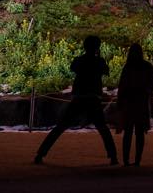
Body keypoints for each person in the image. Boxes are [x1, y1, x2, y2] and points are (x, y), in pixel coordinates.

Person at [35, 35, 118, 165]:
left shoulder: (79, 60)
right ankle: (113, 156)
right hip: (93, 98)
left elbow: (73, 68)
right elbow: (106, 71)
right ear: (97, 47)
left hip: (79, 97)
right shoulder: (99, 61)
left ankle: (41, 153)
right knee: (103, 128)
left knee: (61, 126)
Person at [117, 43, 153, 166]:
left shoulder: (128, 67)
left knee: (128, 132)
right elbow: (152, 85)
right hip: (141, 102)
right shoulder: (147, 66)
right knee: (139, 132)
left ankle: (126, 160)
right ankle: (137, 160)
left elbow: (122, 86)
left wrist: (120, 101)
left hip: (129, 102)